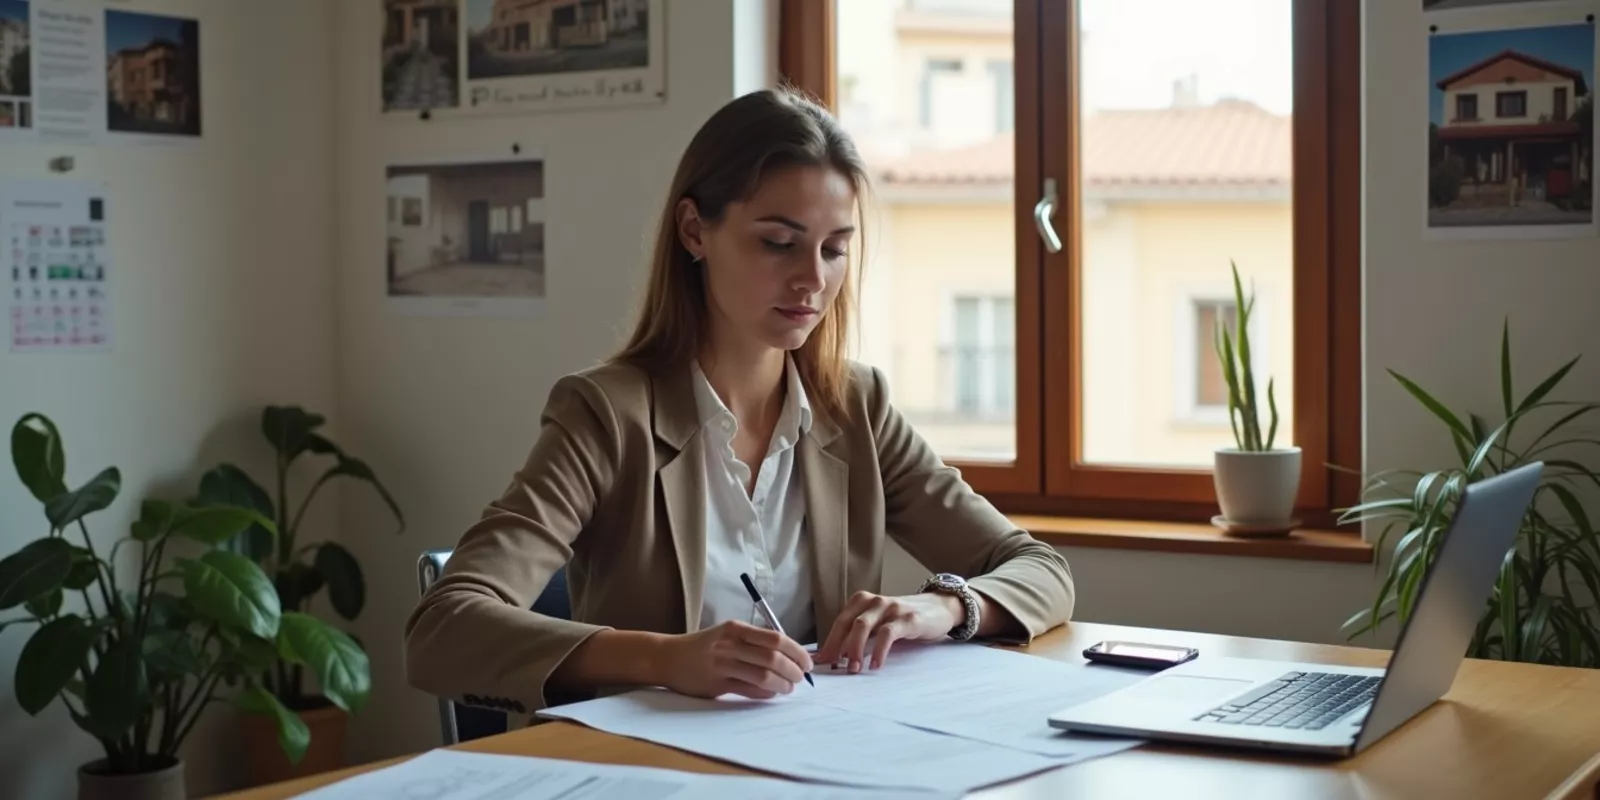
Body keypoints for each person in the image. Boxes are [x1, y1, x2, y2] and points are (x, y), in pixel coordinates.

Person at [404, 87, 1075, 722]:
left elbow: (1042, 571)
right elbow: (443, 629)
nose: (813, 279)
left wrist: (940, 609)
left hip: (817, 767)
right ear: (695, 231)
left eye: (834, 248)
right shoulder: (607, 415)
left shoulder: (856, 407)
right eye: (778, 243)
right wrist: (665, 658)